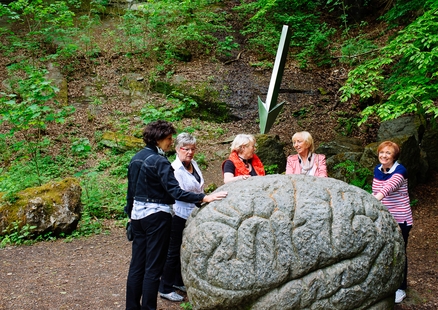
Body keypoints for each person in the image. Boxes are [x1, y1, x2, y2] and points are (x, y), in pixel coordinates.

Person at [125, 120, 227, 310]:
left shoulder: (136, 158)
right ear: (158, 139)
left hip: (137, 217)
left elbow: (130, 191)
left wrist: (130, 215)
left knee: (137, 265)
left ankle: (131, 307)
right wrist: (204, 198)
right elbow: (176, 191)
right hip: (157, 217)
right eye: (169, 139)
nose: (171, 142)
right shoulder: (160, 161)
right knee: (153, 267)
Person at [158, 133, 203, 302]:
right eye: (186, 149)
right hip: (178, 214)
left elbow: (198, 187)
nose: (190, 152)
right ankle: (165, 287)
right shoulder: (174, 169)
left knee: (184, 249)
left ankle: (178, 281)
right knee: (173, 251)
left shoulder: (195, 164)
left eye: (192, 149)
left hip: (194, 212)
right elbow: (178, 193)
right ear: (178, 149)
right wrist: (202, 197)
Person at [372, 141, 413, 304]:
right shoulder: (377, 169)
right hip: (383, 218)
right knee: (383, 251)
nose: (384, 155)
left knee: (399, 253)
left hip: (400, 219)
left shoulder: (400, 171)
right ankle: (385, 283)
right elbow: (374, 190)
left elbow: (387, 189)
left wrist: (371, 201)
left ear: (394, 156)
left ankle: (400, 288)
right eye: (382, 152)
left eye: (388, 153)